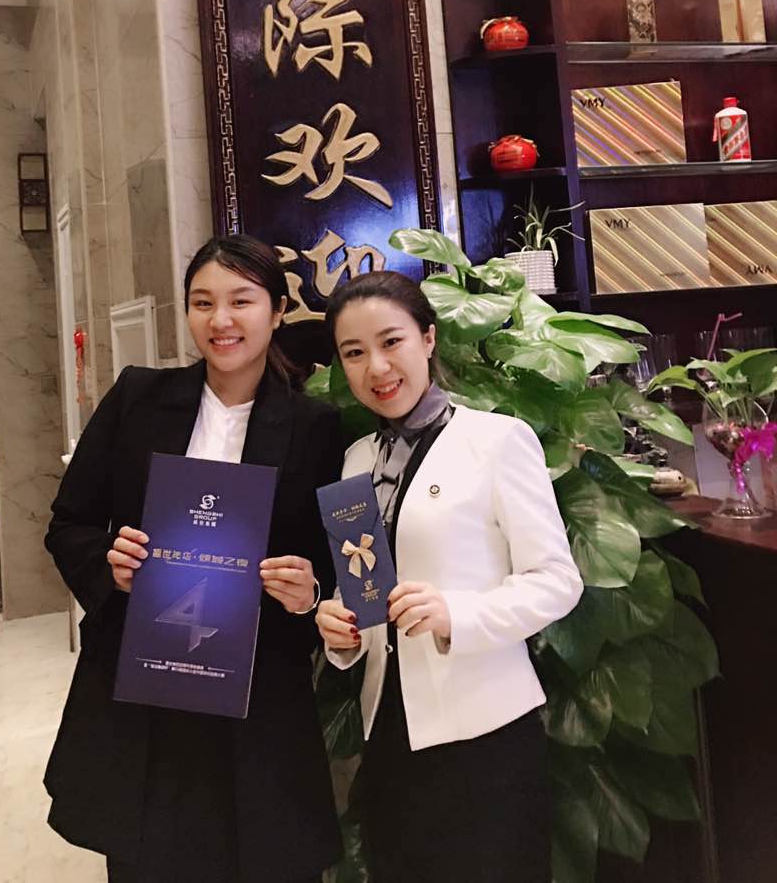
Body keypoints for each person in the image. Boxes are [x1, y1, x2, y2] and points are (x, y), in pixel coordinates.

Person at [44, 235, 343, 883]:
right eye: (202, 303)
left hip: (259, 697)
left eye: (241, 300)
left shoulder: (316, 426)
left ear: (277, 310)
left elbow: (332, 569)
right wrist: (109, 564)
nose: (221, 319)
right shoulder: (138, 399)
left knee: (262, 858)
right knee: (150, 859)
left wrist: (310, 592)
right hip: (145, 689)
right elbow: (69, 523)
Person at [316, 270, 583, 883]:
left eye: (392, 342)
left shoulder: (496, 440)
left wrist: (456, 615)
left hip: (484, 736)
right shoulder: (357, 460)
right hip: (389, 732)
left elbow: (556, 579)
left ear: (429, 339)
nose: (377, 367)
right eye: (354, 353)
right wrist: (339, 629)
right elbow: (361, 585)